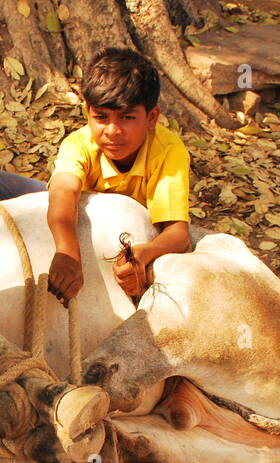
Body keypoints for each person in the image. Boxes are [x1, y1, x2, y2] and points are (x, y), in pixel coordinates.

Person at [44, 47, 192, 305]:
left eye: (127, 118)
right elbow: (63, 191)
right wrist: (67, 250)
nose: (112, 131)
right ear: (87, 112)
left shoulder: (167, 151)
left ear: (152, 118)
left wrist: (142, 255)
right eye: (101, 117)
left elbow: (178, 234)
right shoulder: (78, 144)